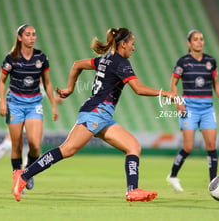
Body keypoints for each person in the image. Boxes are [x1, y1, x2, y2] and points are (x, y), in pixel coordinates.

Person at [10, 27, 174, 202]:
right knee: (67, 149)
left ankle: (132, 190)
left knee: (133, 146)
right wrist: (165, 93)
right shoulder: (120, 62)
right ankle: (24, 175)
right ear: (123, 44)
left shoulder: (107, 59)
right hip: (96, 113)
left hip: (102, 116)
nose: (134, 48)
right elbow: (139, 89)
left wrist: (70, 88)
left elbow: (77, 65)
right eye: (132, 44)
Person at [167, 30, 219, 192]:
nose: (199, 42)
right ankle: (173, 175)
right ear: (189, 43)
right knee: (188, 147)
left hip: (207, 108)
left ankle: (213, 183)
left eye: (201, 39)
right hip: (189, 109)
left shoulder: (211, 61)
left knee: (211, 145)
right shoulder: (183, 62)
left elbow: (216, 83)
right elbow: (173, 83)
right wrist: (177, 101)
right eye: (195, 39)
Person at [0, 24, 58, 192]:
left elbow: (47, 82)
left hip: (34, 104)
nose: (32, 37)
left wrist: (53, 105)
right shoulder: (11, 58)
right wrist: (2, 102)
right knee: (16, 145)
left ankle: (29, 172)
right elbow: (1, 81)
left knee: (35, 145)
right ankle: (17, 178)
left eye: (34, 34)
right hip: (15, 104)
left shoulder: (41, 57)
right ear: (20, 38)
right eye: (28, 35)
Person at [0, 92, 63, 177]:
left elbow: (53, 96)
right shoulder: (23, 84)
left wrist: (57, 99)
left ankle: (26, 167)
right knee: (10, 144)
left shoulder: (39, 86)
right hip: (18, 114)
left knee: (33, 144)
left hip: (30, 116)